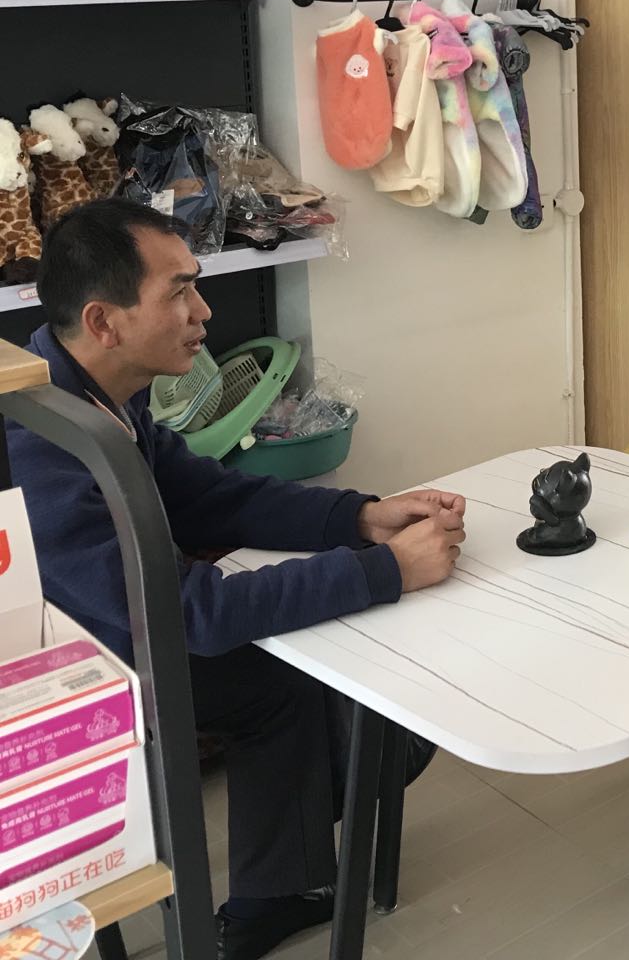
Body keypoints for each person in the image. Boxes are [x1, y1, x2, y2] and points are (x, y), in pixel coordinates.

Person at [6, 200, 467, 960]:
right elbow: (187, 617)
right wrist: (386, 569)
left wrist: (361, 517)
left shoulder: (91, 392)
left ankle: (296, 859)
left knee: (300, 657)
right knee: (282, 675)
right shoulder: (43, 442)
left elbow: (213, 496)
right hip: (73, 678)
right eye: (179, 291)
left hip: (121, 629)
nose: (203, 310)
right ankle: (282, 886)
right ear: (104, 321)